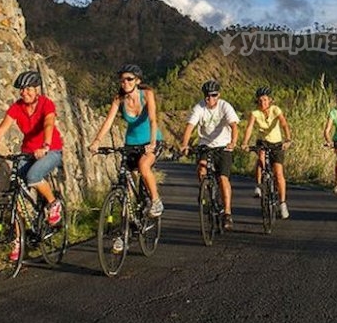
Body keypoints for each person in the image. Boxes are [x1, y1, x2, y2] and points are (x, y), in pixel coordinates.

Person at [0, 70, 64, 260]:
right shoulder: (16, 107)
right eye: (22, 90)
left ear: (36, 89)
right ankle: (18, 239)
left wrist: (46, 145)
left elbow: (48, 124)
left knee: (33, 176)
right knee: (16, 192)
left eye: (28, 89)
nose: (24, 93)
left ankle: (53, 203)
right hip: (27, 152)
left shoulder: (46, 104)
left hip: (51, 149)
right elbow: (1, 131)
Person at [89, 64, 164, 221]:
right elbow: (108, 121)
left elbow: (152, 119)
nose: (125, 82)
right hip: (130, 142)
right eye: (122, 79)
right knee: (125, 176)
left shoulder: (147, 94)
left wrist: (151, 143)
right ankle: (129, 221)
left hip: (151, 139)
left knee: (143, 166)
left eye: (129, 79)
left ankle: (156, 201)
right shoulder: (119, 99)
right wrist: (96, 141)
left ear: (137, 80)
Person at [180, 80, 239, 231]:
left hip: (223, 146)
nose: (210, 99)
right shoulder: (199, 107)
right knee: (201, 169)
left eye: (213, 96)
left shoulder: (225, 106)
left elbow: (234, 126)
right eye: (207, 96)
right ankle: (205, 189)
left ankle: (227, 213)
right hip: (205, 145)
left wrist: (233, 142)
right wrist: (184, 144)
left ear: (218, 95)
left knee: (223, 178)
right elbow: (190, 127)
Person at [241, 86, 292, 219]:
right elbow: (250, 128)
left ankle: (282, 203)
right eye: (260, 100)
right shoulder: (255, 113)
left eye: (265, 100)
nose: (262, 103)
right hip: (262, 142)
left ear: (270, 100)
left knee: (279, 174)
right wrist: (245, 143)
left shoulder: (276, 110)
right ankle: (258, 185)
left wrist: (288, 139)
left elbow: (284, 124)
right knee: (261, 159)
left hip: (277, 143)